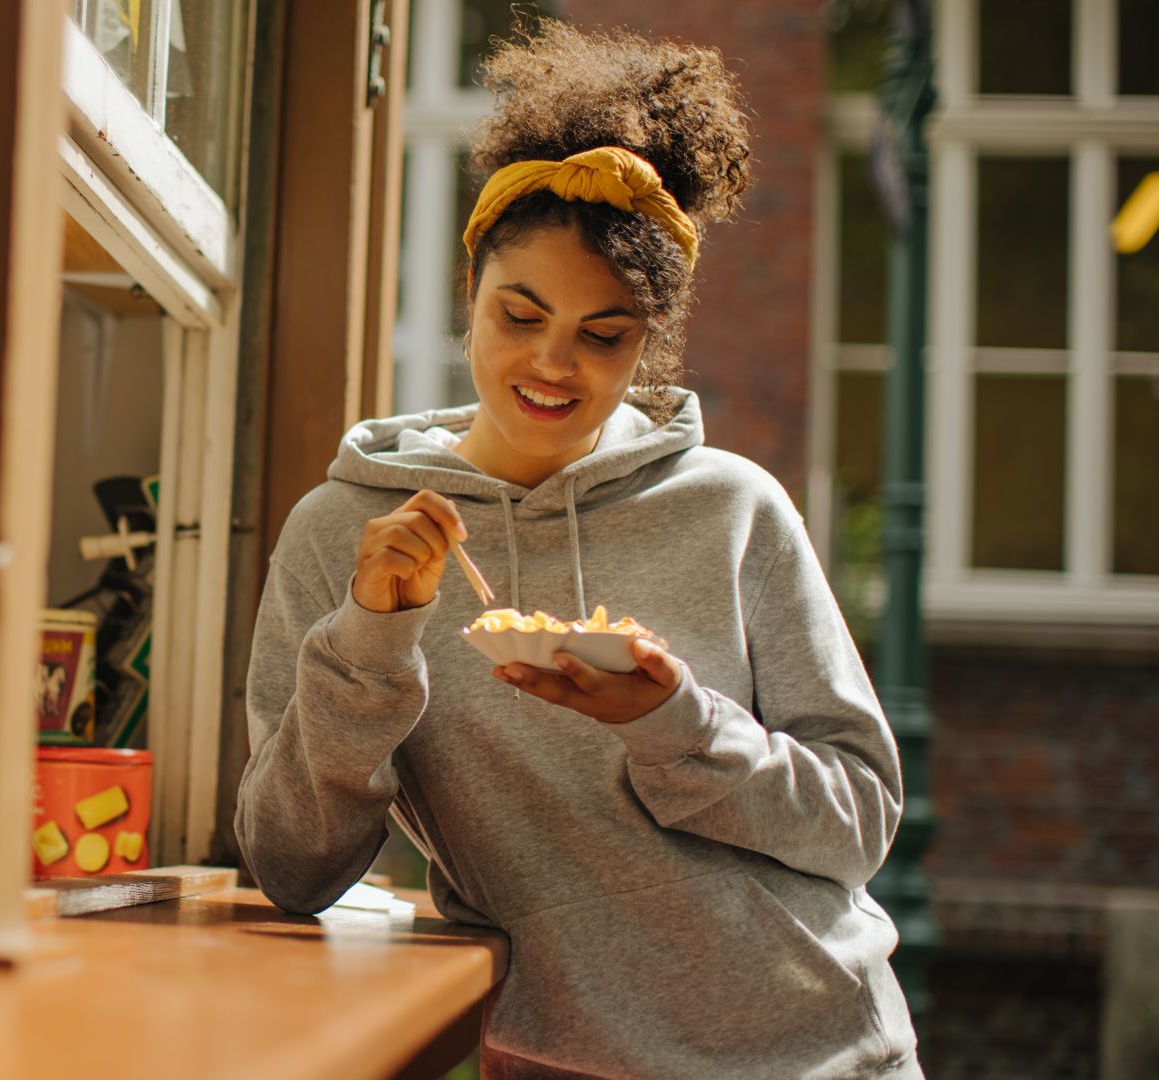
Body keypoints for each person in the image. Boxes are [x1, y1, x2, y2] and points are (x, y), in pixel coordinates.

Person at [234, 20, 920, 1080]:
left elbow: (859, 821)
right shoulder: (346, 533)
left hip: (822, 1052)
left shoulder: (734, 510)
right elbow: (290, 867)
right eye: (521, 314)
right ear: (471, 294)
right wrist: (371, 641)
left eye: (605, 336)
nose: (554, 364)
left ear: (648, 344)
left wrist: (674, 722)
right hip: (560, 1063)